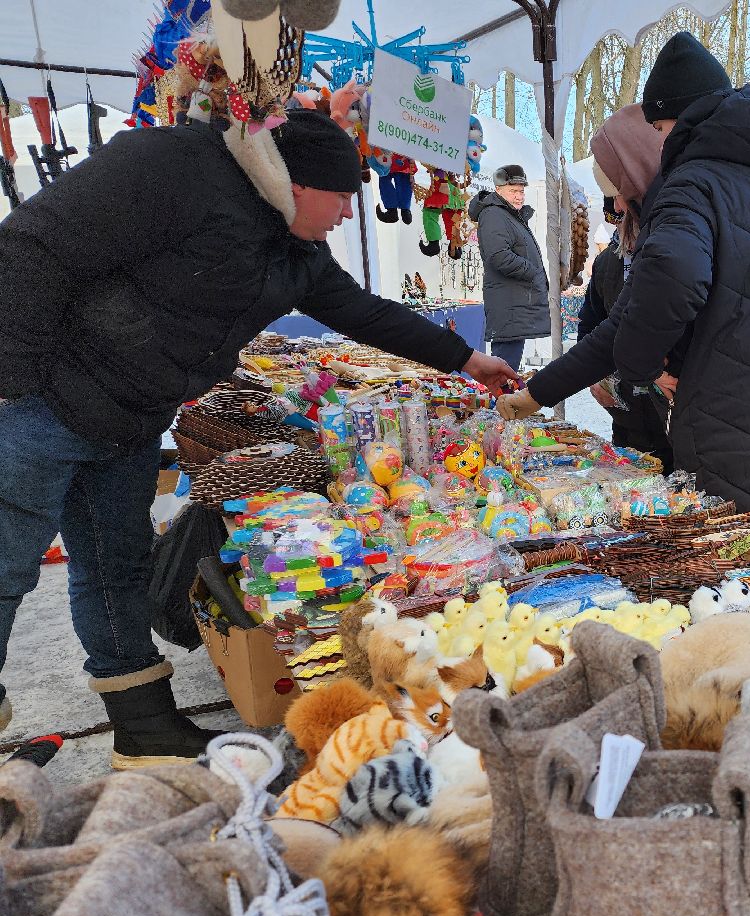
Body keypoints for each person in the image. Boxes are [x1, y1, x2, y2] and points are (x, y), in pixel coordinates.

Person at [0, 109, 519, 761]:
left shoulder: (296, 248)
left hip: (130, 418)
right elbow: (31, 247)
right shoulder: (173, 165)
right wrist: (14, 379)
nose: (346, 214)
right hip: (41, 403)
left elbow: (362, 312)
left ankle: (143, 727)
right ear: (296, 183)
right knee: (6, 566)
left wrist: (466, 359)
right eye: (341, 197)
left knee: (115, 569)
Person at [498, 32, 750, 579]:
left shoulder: (693, 183)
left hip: (746, 445)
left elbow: (670, 280)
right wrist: (540, 394)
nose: (659, 142)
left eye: (658, 129)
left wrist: (638, 368)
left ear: (677, 120)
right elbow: (635, 314)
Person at [578, 107, 673, 472]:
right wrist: (599, 380)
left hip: (677, 425)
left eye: (620, 197)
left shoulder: (674, 249)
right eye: (612, 201)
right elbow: (592, 327)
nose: (617, 208)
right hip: (629, 420)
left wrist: (653, 371)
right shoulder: (608, 264)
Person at [470, 164, 550, 369]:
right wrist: (532, 271)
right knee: (503, 370)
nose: (519, 196)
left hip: (514, 306)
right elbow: (499, 256)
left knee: (507, 369)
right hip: (509, 307)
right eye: (513, 191)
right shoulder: (494, 214)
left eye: (521, 191)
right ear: (498, 189)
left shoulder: (509, 215)